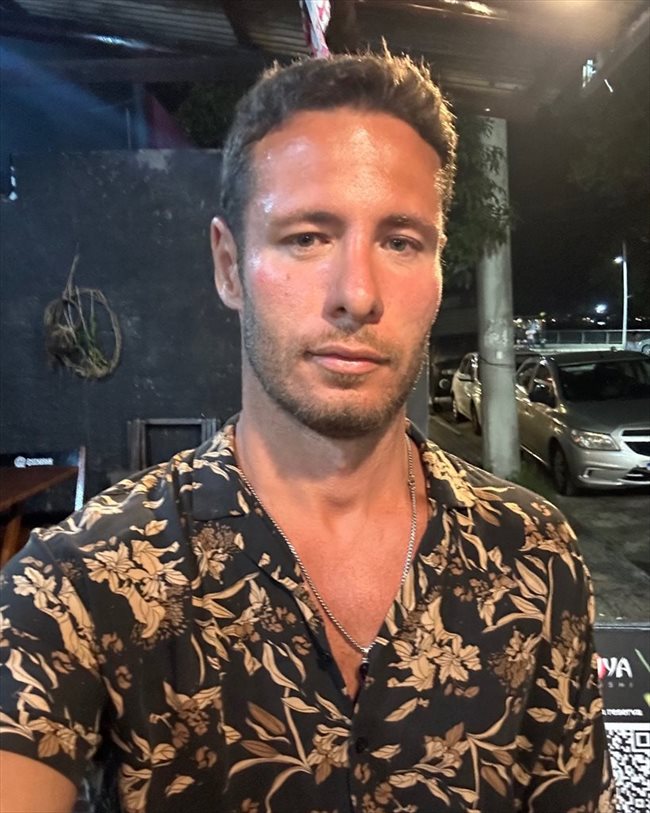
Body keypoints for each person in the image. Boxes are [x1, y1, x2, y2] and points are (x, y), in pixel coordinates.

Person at [0, 51, 614, 813]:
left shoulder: (533, 554)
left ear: (435, 272)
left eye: (400, 241)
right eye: (306, 237)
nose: (356, 293)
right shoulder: (79, 582)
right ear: (230, 265)